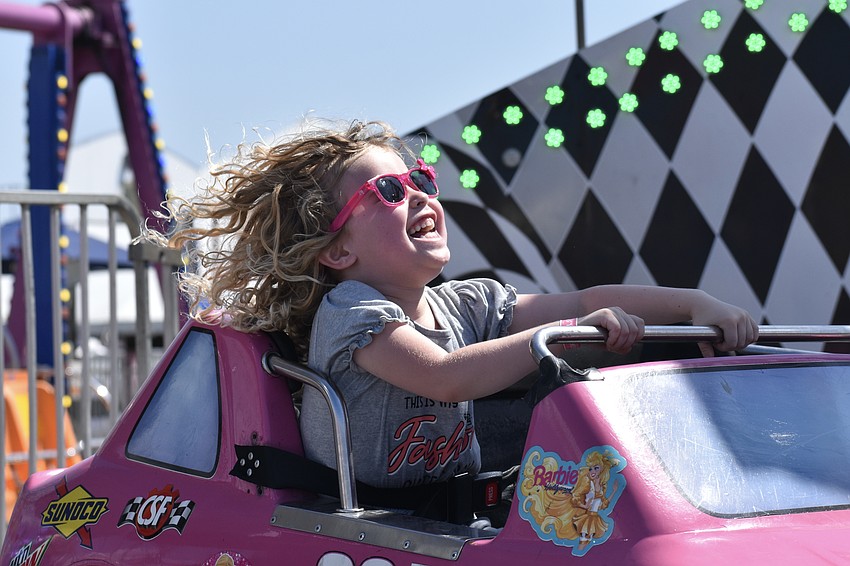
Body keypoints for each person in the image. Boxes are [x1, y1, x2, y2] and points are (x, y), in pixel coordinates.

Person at [160, 119, 758, 493]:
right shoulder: (352, 311)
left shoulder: (462, 305)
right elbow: (443, 378)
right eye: (389, 191)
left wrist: (692, 304)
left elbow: (585, 299)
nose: (419, 193)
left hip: (450, 509)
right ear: (338, 250)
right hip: (373, 520)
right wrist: (564, 333)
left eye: (423, 180)